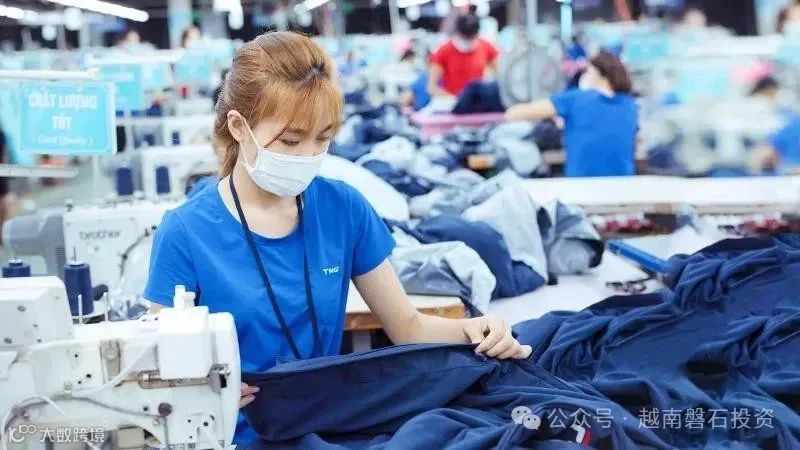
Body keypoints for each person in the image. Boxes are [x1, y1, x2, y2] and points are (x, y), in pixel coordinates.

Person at [143, 31, 531, 445]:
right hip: (232, 435)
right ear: (239, 127)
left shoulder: (343, 208)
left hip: (330, 424)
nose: (309, 155)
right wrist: (201, 390)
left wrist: (477, 329)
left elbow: (408, 326)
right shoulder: (186, 232)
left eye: (323, 139)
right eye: (290, 141)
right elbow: (155, 374)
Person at [505, 51, 638, 177]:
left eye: (587, 71)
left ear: (598, 73)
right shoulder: (630, 105)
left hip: (580, 185)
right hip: (622, 185)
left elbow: (513, 114)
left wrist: (552, 115)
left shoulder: (575, 99)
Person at [427, 11, 499, 99]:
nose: (468, 40)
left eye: (471, 37)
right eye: (465, 37)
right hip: (453, 101)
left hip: (477, 100)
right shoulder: (443, 51)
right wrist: (455, 98)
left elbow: (501, 75)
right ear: (458, 33)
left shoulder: (486, 47)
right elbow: (431, 87)